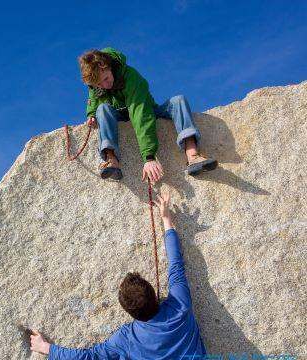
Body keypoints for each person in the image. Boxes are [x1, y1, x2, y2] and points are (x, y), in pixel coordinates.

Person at [29, 190, 207, 359]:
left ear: (130, 312)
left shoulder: (126, 339)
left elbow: (90, 357)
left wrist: (46, 348)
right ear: (154, 294)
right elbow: (175, 264)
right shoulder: (180, 304)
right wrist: (167, 220)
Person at [78, 47, 217, 181]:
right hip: (120, 114)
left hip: (146, 108)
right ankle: (111, 161)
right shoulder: (97, 84)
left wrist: (149, 157)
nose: (105, 85)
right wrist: (91, 114)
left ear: (109, 67)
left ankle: (193, 155)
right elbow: (94, 96)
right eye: (99, 84)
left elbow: (141, 115)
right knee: (102, 109)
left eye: (106, 79)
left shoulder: (131, 77)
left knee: (178, 100)